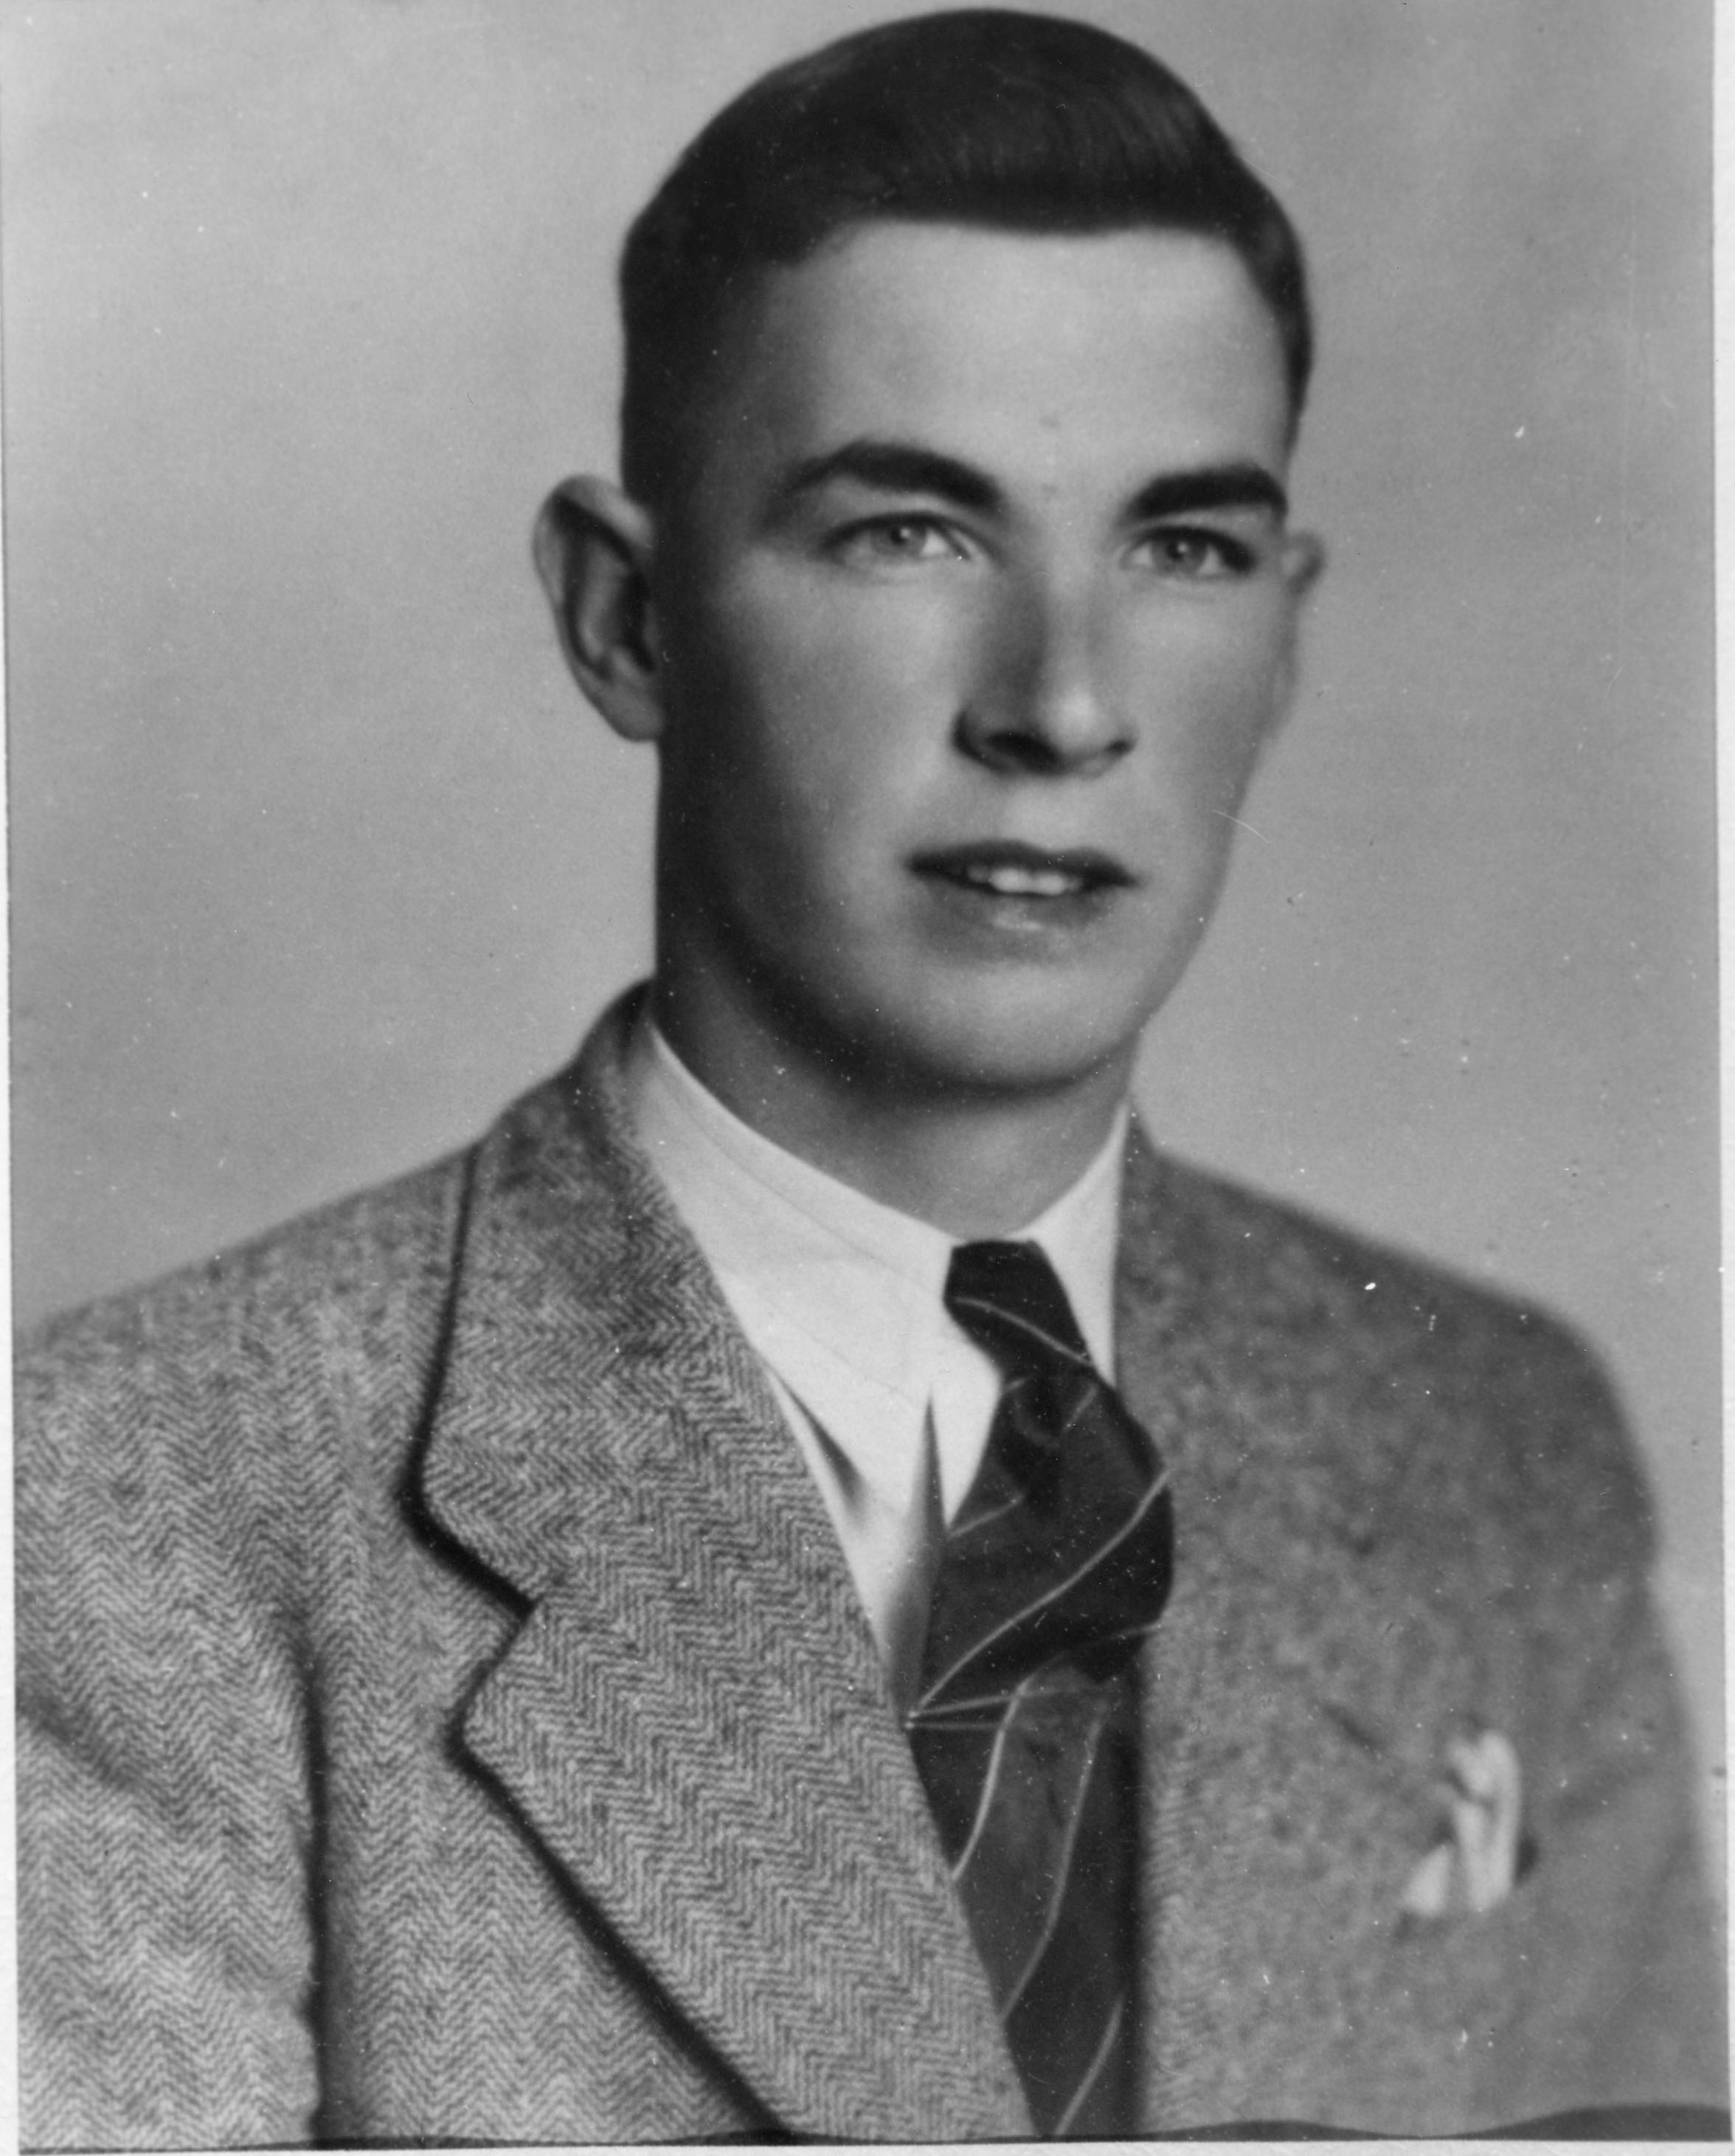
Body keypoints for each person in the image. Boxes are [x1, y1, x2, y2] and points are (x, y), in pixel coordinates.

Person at [15, 9, 1723, 2145]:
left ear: (1285, 632)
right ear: (627, 619)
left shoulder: (1497, 1443)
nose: (1063, 704)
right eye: (912, 530)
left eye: (1183, 547)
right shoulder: (122, 1512)